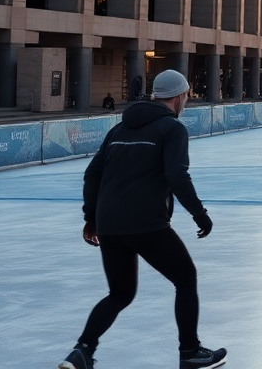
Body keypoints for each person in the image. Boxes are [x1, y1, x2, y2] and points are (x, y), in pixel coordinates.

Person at [59, 70, 225, 369]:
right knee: (185, 279)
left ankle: (82, 350)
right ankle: (189, 352)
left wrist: (92, 218)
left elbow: (92, 174)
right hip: (147, 222)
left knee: (120, 293)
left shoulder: (118, 130)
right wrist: (199, 213)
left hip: (110, 224)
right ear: (178, 97)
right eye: (186, 95)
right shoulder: (171, 129)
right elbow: (177, 175)